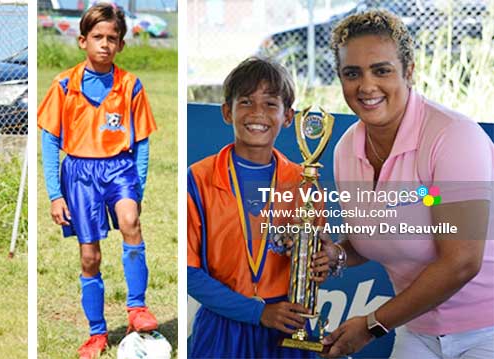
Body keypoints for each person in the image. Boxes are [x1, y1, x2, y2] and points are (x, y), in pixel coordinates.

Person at [316, 10, 494, 358]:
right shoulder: (345, 151)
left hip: (486, 329)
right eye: (352, 74)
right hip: (418, 328)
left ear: (408, 71)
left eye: (381, 70)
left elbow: (462, 262)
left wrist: (372, 325)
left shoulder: (453, 136)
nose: (366, 86)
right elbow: (375, 234)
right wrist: (335, 255)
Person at [186, 57, 331, 358]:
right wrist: (256, 312)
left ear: (288, 116)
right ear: (227, 112)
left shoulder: (303, 185)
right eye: (246, 102)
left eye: (269, 104)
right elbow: (188, 272)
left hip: (288, 326)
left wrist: (325, 260)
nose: (257, 114)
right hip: (223, 326)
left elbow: (316, 258)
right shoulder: (199, 178)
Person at [37, 3, 158, 357]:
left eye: (112, 38)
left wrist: (138, 190)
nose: (105, 44)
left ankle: (137, 307)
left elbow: (142, 144)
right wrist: (55, 195)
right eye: (98, 37)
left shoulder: (131, 86)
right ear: (82, 41)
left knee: (130, 221)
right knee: (89, 257)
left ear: (120, 45)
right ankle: (96, 333)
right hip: (79, 174)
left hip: (119, 168)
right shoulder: (64, 85)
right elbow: (49, 141)